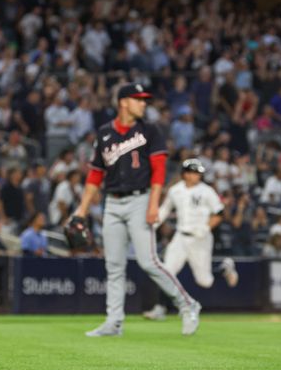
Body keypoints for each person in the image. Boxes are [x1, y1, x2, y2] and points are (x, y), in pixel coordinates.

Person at [71, 84, 201, 338]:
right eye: (138, 99)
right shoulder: (105, 132)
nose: (143, 103)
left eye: (144, 100)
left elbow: (159, 170)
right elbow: (95, 175)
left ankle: (187, 304)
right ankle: (114, 322)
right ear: (123, 103)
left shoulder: (150, 130)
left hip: (140, 199)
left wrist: (154, 203)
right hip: (112, 202)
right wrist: (81, 210)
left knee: (148, 261)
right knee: (114, 266)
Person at [143, 159, 239, 321]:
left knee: (205, 281)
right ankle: (160, 308)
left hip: (200, 238)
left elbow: (219, 213)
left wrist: (206, 228)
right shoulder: (175, 190)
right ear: (185, 174)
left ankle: (223, 268)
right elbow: (164, 210)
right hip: (181, 236)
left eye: (198, 173)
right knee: (167, 272)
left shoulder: (206, 191)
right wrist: (151, 228)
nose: (197, 176)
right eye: (194, 172)